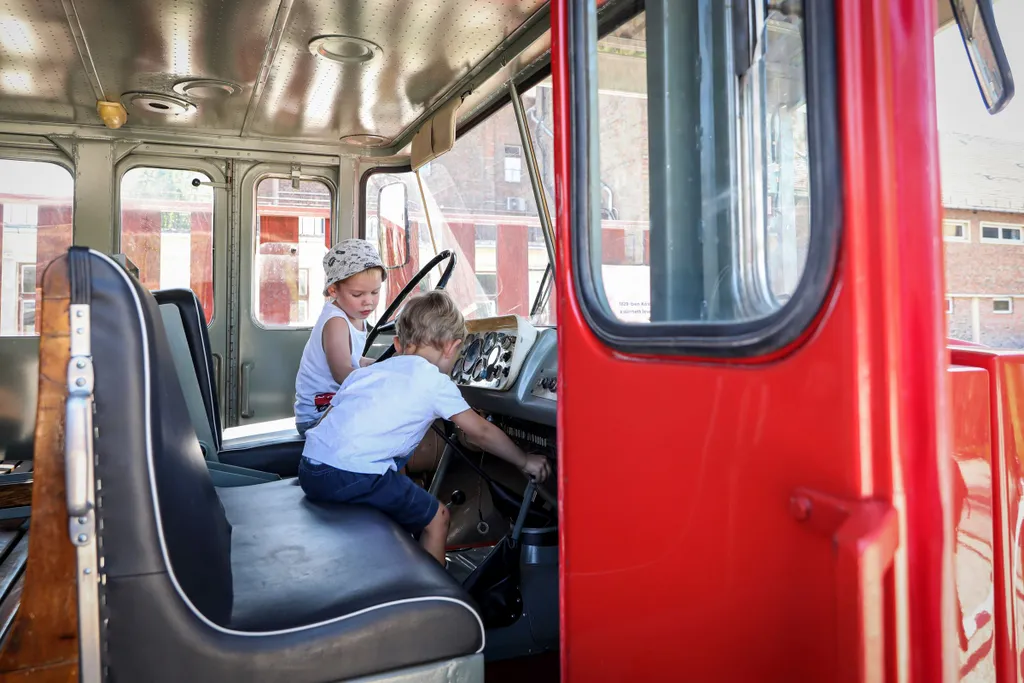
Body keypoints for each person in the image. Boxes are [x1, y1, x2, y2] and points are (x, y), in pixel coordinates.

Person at [299, 290, 551, 565]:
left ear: (397, 344)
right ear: (452, 348)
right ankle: (438, 596)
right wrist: (524, 460)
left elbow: (331, 420)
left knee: (402, 490)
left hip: (311, 469)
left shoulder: (366, 373)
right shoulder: (433, 381)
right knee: (437, 517)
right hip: (352, 476)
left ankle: (402, 564)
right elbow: (481, 432)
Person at [294, 239, 385, 436]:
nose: (368, 301)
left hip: (336, 406)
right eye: (358, 294)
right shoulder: (336, 321)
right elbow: (342, 371)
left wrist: (384, 365)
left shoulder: (354, 316)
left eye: (375, 292)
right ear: (334, 290)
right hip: (319, 417)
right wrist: (380, 380)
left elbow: (355, 360)